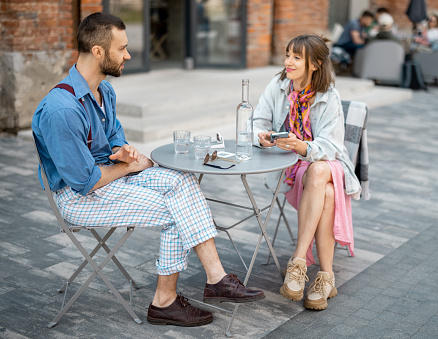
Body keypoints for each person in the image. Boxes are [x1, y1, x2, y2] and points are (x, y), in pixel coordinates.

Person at [31, 12, 264, 327]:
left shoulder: (105, 93)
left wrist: (123, 153)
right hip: (78, 197)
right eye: (122, 48)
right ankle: (163, 303)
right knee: (173, 214)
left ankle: (217, 278)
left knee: (182, 179)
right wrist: (129, 167)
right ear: (98, 52)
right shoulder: (62, 110)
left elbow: (115, 143)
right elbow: (84, 182)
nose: (129, 55)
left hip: (107, 179)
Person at [253, 35, 361, 311]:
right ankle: (326, 277)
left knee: (320, 171)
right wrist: (261, 136)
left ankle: (298, 261)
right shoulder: (278, 86)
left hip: (323, 162)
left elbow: (330, 147)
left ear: (315, 64)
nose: (288, 62)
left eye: (296, 57)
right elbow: (256, 122)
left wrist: (302, 147)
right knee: (325, 190)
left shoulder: (329, 96)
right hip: (293, 170)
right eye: (287, 54)